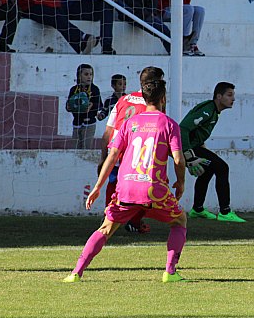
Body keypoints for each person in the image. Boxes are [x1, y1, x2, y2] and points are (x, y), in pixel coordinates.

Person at [63, 78, 188, 283]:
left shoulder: (130, 123)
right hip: (153, 187)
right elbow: (178, 159)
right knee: (180, 220)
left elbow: (112, 156)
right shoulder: (169, 124)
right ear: (163, 98)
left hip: (127, 187)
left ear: (144, 98)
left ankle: (76, 272)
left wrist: (97, 187)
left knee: (105, 228)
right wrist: (180, 182)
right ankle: (170, 272)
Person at [99, 66, 165, 233]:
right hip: (135, 154)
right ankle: (134, 222)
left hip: (116, 150)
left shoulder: (123, 99)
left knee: (114, 185)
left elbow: (107, 132)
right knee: (144, 187)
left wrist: (103, 158)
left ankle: (109, 219)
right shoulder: (152, 104)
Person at [180, 82, 246, 222]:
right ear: (219, 96)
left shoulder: (214, 111)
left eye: (233, 95)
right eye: (229, 95)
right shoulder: (207, 110)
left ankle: (197, 209)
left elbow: (197, 133)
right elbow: (183, 129)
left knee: (208, 169)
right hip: (187, 148)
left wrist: (202, 149)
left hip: (194, 147)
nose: (233, 99)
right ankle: (225, 212)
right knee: (222, 167)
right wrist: (188, 155)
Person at [66, 63, 102, 150]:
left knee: (86, 148)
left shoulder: (94, 89)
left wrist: (92, 105)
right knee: (75, 148)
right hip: (77, 122)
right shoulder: (73, 89)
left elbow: (100, 105)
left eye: (91, 74)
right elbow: (69, 104)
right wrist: (68, 107)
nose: (89, 77)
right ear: (79, 76)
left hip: (89, 123)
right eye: (86, 74)